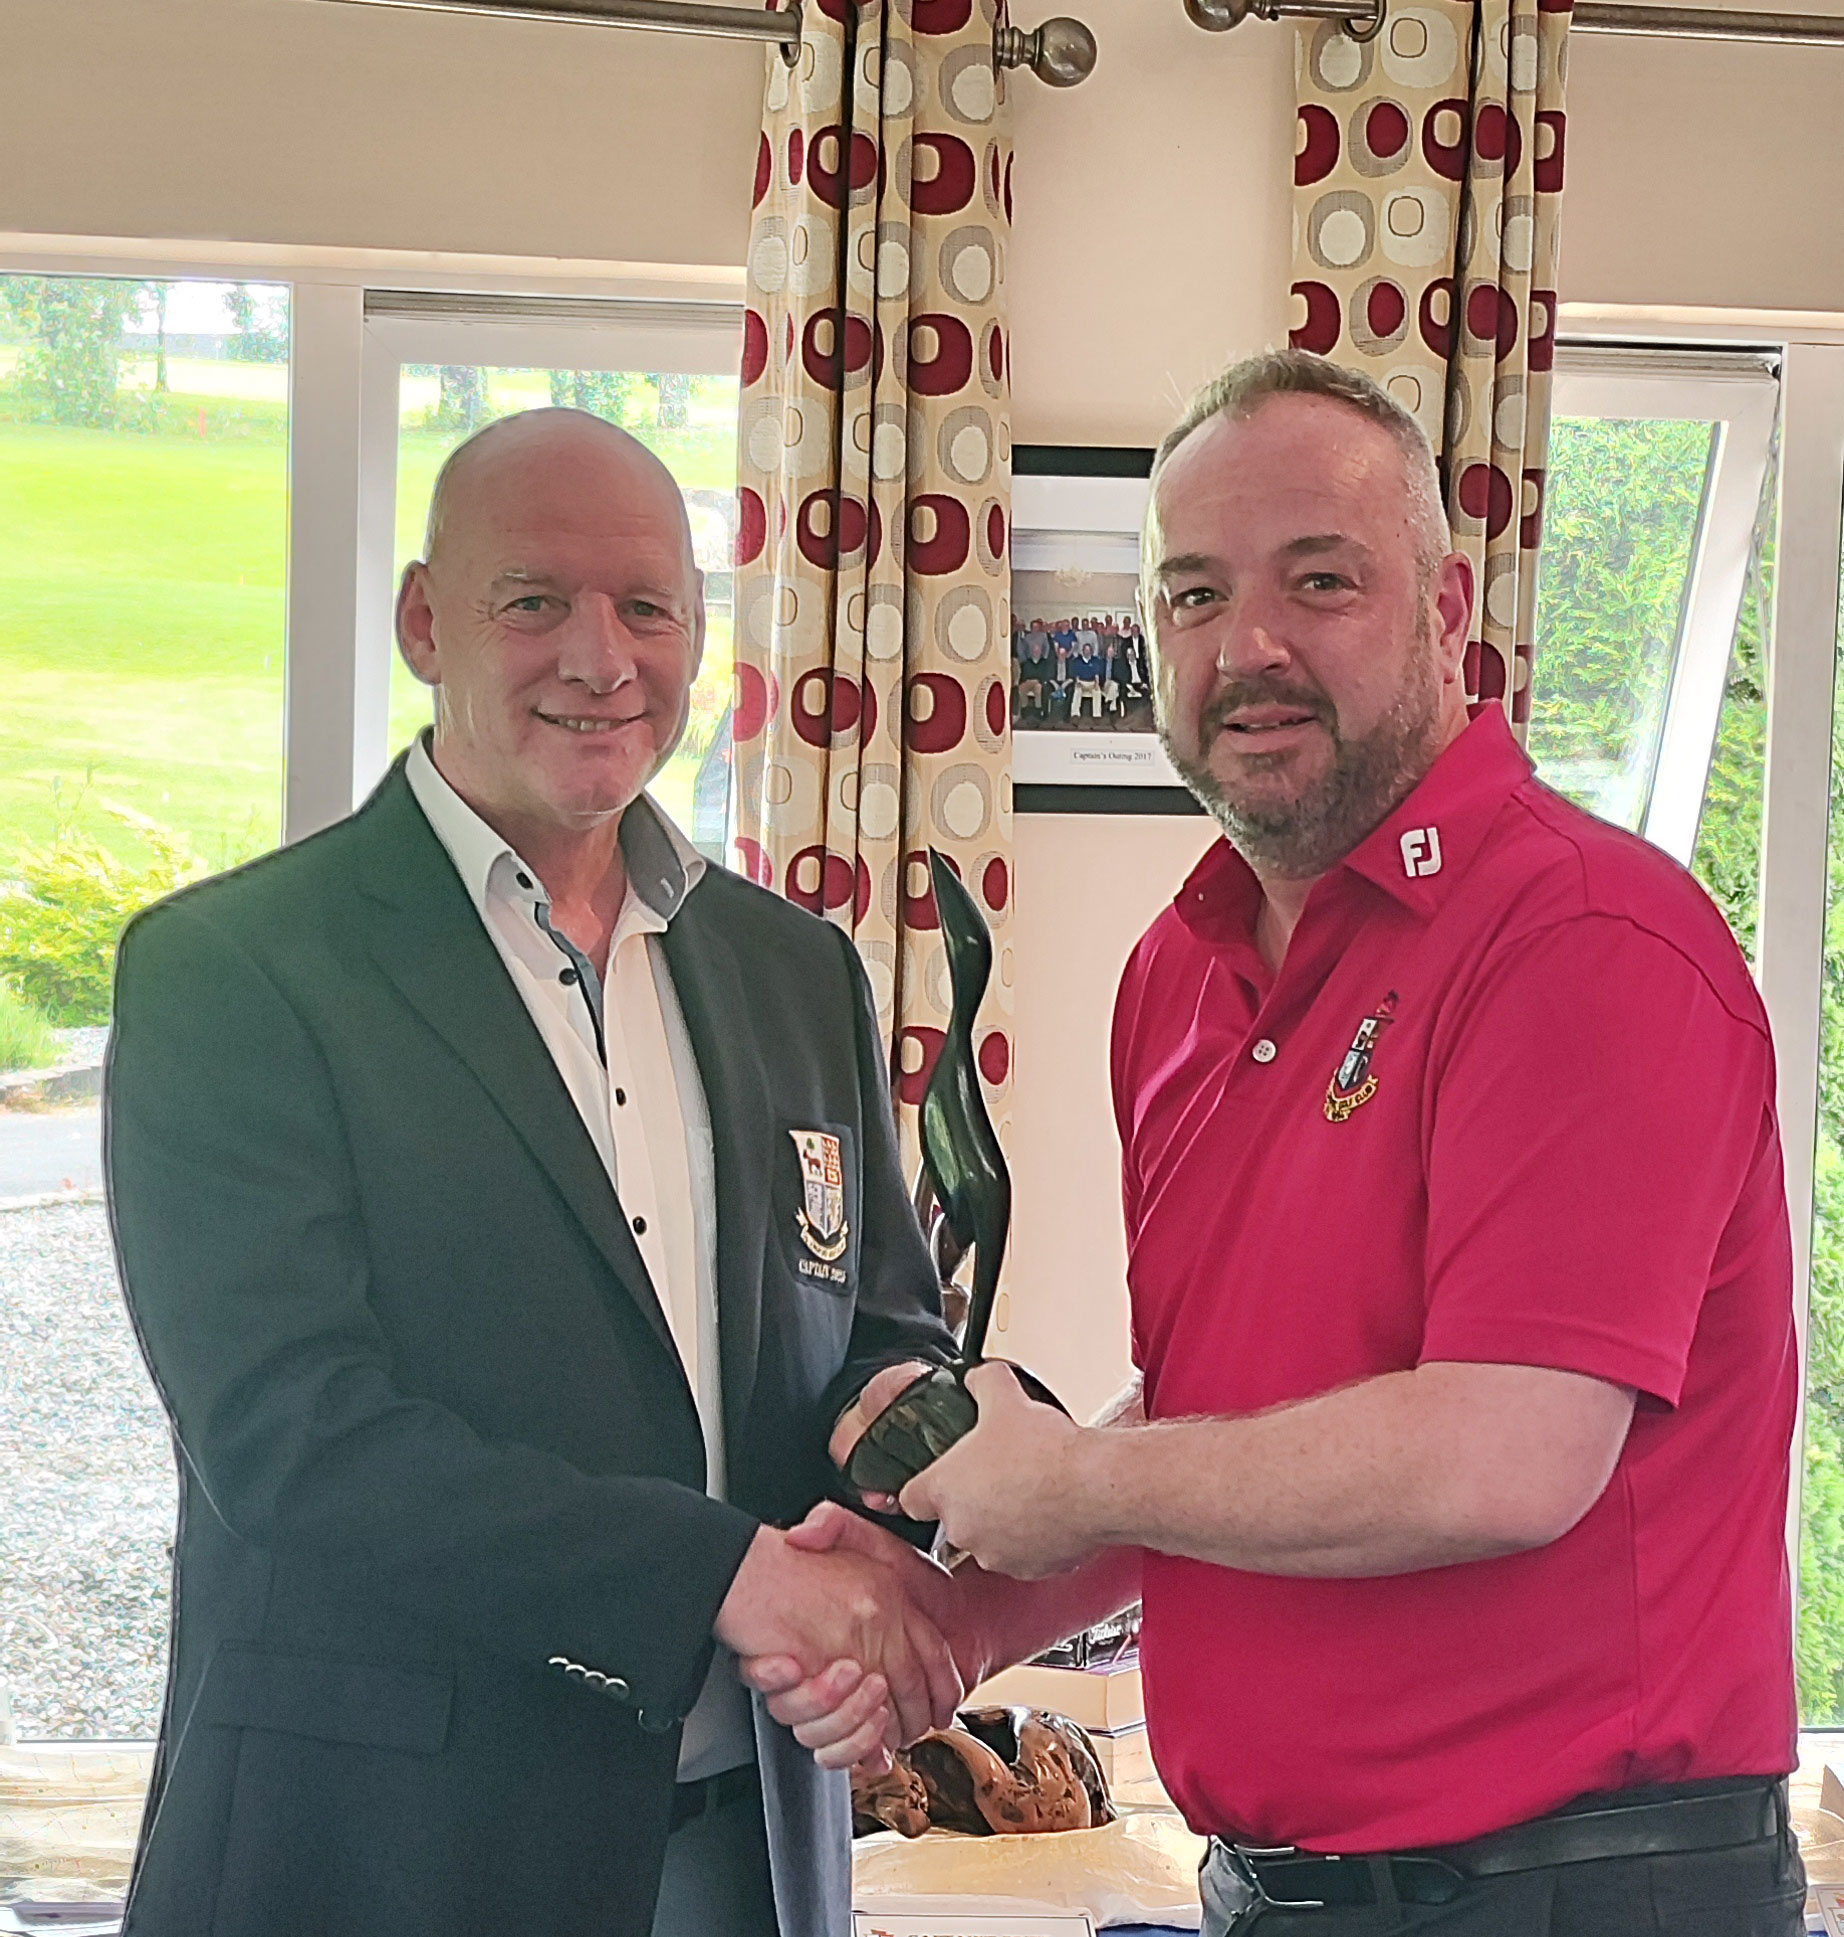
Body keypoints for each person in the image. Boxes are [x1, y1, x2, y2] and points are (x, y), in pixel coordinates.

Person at [753, 351, 1806, 1936]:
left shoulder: (1588, 938)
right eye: (1191, 595)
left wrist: (1076, 1475)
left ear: (1447, 613)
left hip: (1583, 1889)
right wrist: (958, 1615)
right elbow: (1213, 1427)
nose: (1247, 647)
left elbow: (1503, 1453)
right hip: (1274, 1890)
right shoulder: (1178, 973)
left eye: (1320, 580)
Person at [103, 408, 968, 1937]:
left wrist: (956, 1491)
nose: (599, 655)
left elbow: (883, 1335)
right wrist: (728, 1576)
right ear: (427, 622)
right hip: (385, 1857)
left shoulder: (796, 971)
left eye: (646, 607)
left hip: (747, 1850)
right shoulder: (232, 975)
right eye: (534, 601)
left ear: (701, 639)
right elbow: (296, 1440)